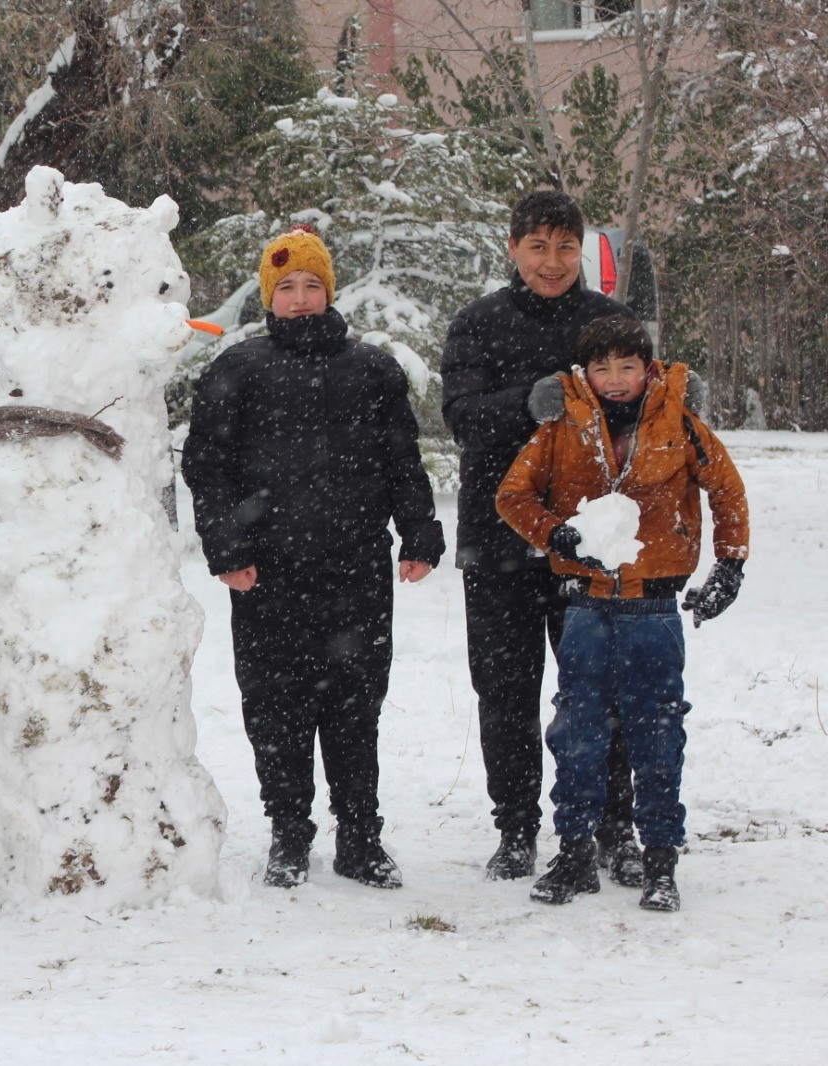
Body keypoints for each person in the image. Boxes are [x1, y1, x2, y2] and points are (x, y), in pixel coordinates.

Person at [181, 223, 444, 890]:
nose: (300, 298)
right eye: (287, 287)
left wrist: (418, 531)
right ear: (269, 298)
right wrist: (227, 548)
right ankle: (289, 836)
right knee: (276, 709)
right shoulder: (236, 370)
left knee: (356, 707)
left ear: (329, 291)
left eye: (312, 285)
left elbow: (400, 462)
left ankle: (360, 838)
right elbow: (207, 471)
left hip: (353, 568)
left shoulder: (371, 370)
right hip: (267, 574)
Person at [495, 315, 749, 911]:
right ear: (584, 372)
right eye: (602, 367)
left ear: (649, 368)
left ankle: (661, 858)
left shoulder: (679, 423)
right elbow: (513, 493)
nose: (615, 379)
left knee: (657, 731)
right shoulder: (562, 423)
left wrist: (730, 564)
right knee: (577, 730)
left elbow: (728, 490)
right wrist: (555, 535)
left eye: (627, 367)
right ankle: (576, 852)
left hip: (655, 607)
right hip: (584, 606)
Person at [441, 190, 641, 883]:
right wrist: (527, 400)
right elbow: (461, 417)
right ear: (512, 249)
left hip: (593, 537)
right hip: (500, 539)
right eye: (537, 247)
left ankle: (614, 827)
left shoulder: (607, 321)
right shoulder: (477, 323)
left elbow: (639, 406)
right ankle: (517, 828)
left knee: (600, 689)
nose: (552, 262)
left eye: (564, 247)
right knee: (505, 690)